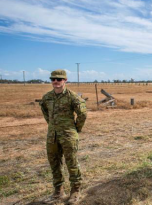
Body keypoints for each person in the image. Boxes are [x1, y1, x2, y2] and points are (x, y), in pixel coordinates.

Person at [40, 69, 87, 204]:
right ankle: (58, 191)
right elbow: (44, 110)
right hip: (52, 136)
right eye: (53, 79)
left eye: (59, 79)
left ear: (65, 80)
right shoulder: (47, 97)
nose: (55, 81)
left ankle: (75, 191)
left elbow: (82, 114)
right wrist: (51, 125)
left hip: (68, 135)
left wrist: (76, 128)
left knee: (71, 162)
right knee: (54, 163)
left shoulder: (73, 97)